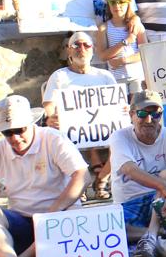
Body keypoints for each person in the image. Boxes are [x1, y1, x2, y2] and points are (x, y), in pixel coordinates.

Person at [0, 95, 89, 257]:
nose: (15, 138)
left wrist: (52, 213)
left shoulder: (52, 139)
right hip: (24, 221)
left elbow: (82, 176)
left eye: (19, 130)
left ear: (31, 124)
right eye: (8, 133)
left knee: (55, 222)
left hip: (59, 218)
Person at [108, 90, 166, 257]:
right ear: (131, 115)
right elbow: (130, 169)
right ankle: (157, 232)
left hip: (164, 204)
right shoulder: (119, 137)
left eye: (155, 114)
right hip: (130, 203)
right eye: (142, 114)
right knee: (107, 229)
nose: (149, 120)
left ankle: (150, 238)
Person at [43, 31, 117, 201]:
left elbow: (117, 104)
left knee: (123, 139)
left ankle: (102, 179)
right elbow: (49, 105)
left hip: (103, 128)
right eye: (76, 45)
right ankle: (79, 183)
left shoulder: (105, 76)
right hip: (71, 130)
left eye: (86, 45)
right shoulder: (60, 76)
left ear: (93, 50)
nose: (81, 49)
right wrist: (51, 117)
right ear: (68, 50)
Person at [96, 0, 146, 92]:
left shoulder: (136, 25)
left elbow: (144, 52)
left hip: (137, 77)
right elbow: (102, 56)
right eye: (112, 2)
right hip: (115, 79)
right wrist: (125, 42)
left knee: (137, 106)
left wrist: (123, 60)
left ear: (128, 4)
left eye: (122, 1)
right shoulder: (104, 28)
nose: (117, 6)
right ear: (108, 5)